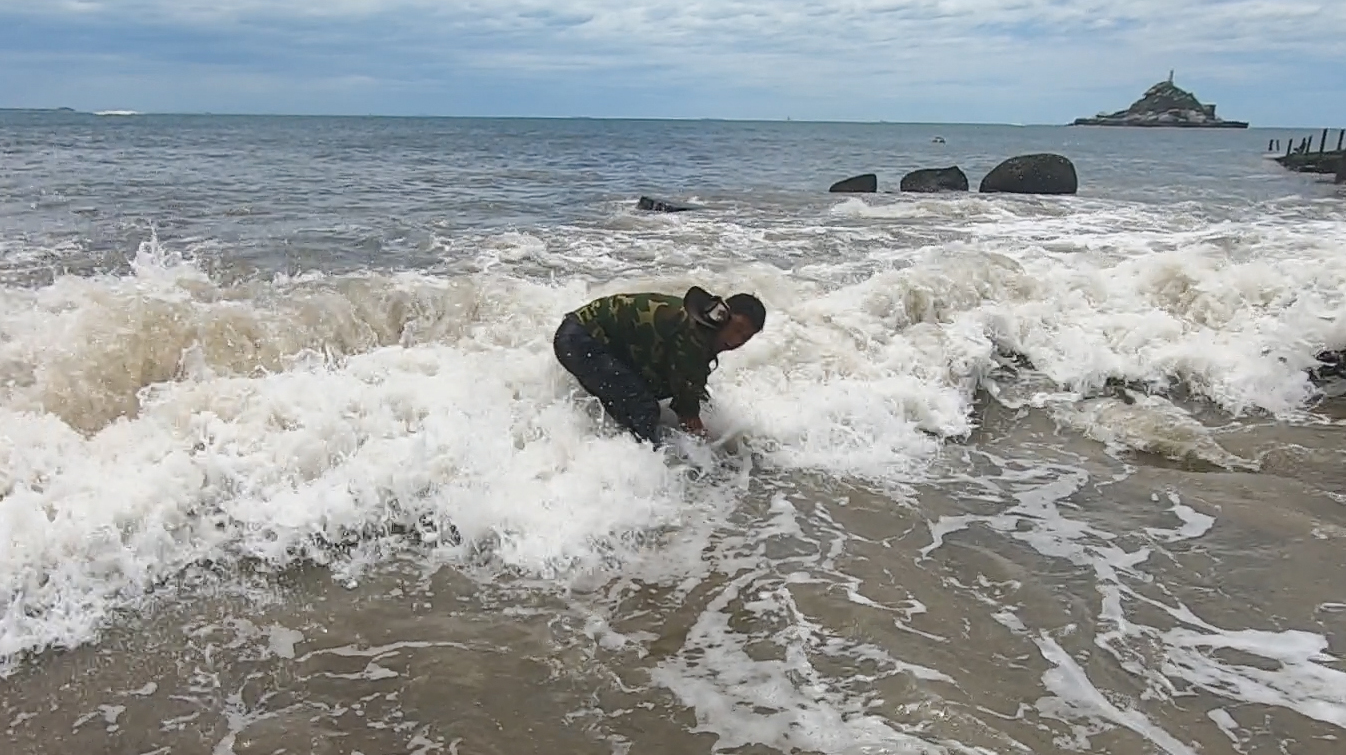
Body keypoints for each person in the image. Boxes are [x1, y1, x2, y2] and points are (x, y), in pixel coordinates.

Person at [552, 285, 766, 446]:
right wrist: (709, 450)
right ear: (723, 316)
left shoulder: (705, 324)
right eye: (737, 329)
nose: (737, 340)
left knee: (672, 393)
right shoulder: (694, 336)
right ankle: (643, 467)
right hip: (579, 339)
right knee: (644, 409)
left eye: (746, 337)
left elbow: (691, 387)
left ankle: (616, 433)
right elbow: (688, 415)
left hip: (599, 340)